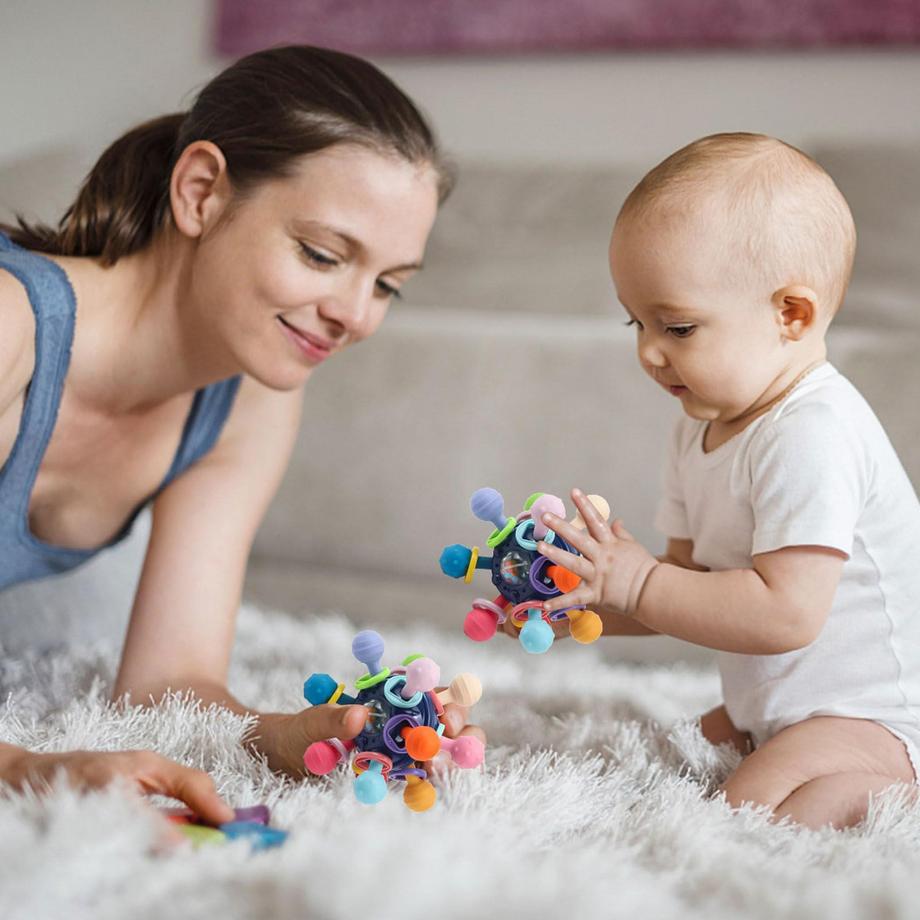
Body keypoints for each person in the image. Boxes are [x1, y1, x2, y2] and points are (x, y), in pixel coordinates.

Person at [0, 45, 480, 819]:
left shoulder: (249, 402)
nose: (356, 316)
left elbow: (167, 687)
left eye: (388, 285)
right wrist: (23, 765)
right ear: (201, 193)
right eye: (322, 254)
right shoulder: (11, 326)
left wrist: (302, 737)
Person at [534, 132, 920, 830]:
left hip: (879, 716)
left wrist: (639, 581)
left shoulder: (813, 432)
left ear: (790, 315)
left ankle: (902, 788)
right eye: (637, 321)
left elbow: (786, 614)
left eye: (677, 327)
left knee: (750, 810)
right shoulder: (698, 425)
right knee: (670, 757)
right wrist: (584, 603)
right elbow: (688, 583)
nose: (648, 351)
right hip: (779, 706)